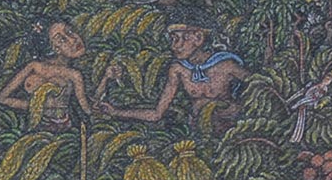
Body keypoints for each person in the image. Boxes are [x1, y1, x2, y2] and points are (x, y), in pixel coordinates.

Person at [103, 12, 245, 126]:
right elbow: (157, 114)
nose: (174, 46)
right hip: (199, 132)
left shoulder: (226, 65)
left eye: (180, 38)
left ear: (198, 38)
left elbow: (256, 90)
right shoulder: (178, 70)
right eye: (172, 39)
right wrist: (116, 112)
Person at [0, 20, 95, 126]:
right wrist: (37, 105)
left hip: (63, 126)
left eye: (69, 31)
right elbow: (88, 111)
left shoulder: (35, 66)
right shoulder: (73, 75)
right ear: (55, 49)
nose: (73, 40)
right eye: (61, 40)